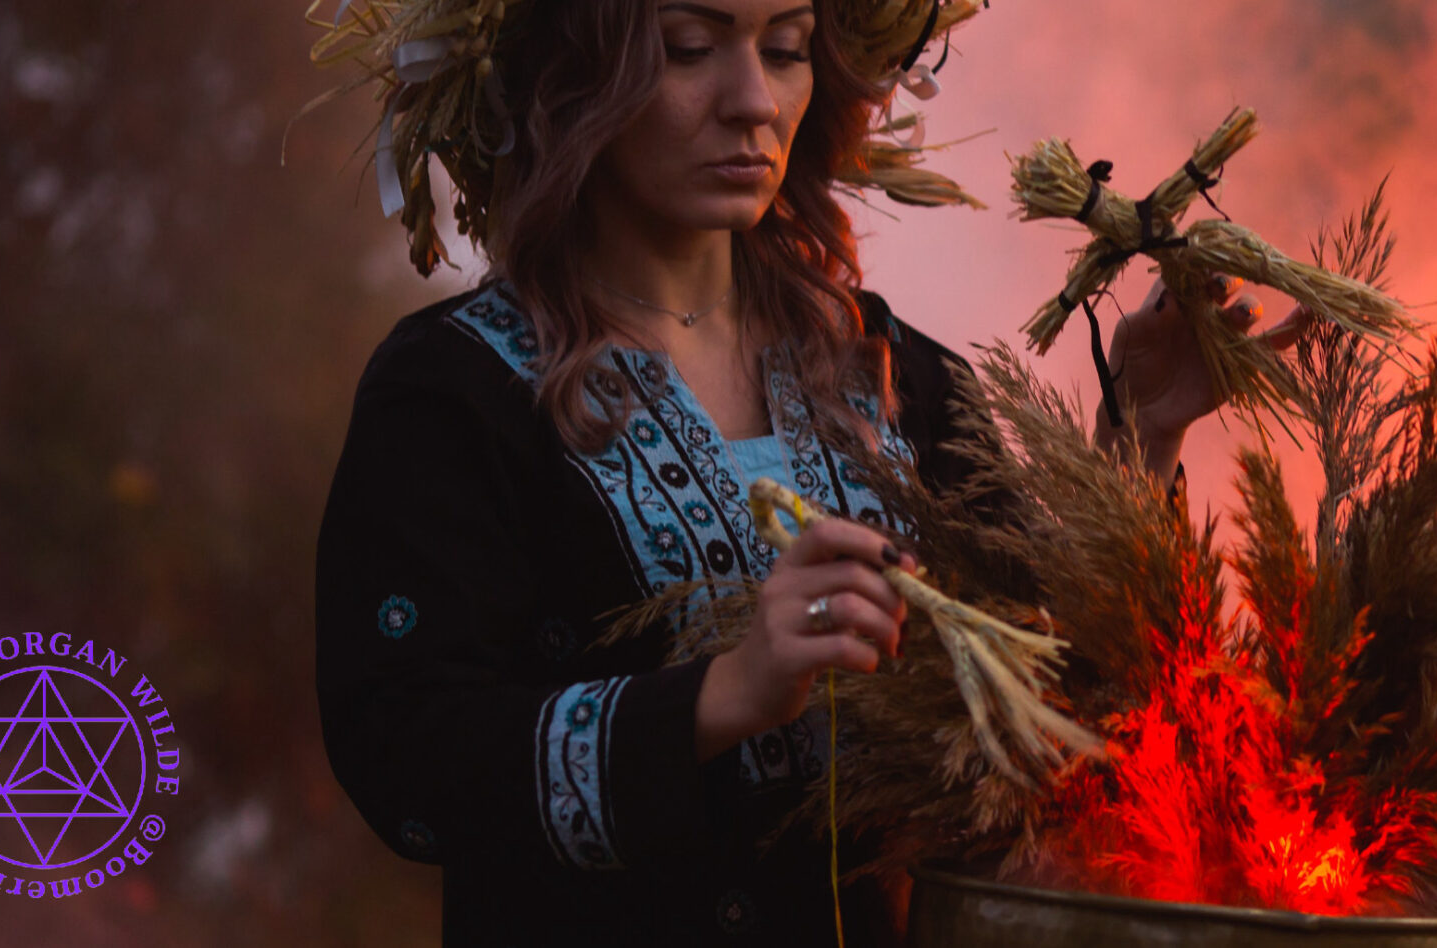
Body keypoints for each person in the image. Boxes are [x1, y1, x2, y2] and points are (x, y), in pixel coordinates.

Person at [309, 0, 1307, 943]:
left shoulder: (889, 373)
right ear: (573, 73)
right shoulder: (456, 390)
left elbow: (1061, 697)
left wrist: (1140, 435)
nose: (750, 100)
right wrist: (723, 694)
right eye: (690, 48)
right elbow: (403, 754)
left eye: (784, 48)